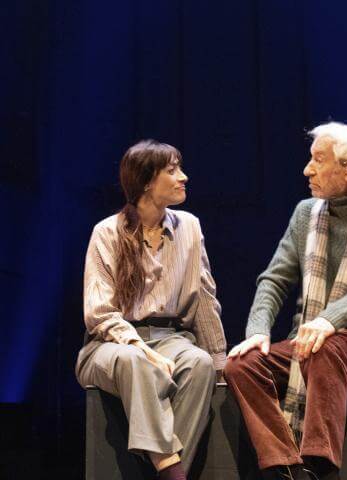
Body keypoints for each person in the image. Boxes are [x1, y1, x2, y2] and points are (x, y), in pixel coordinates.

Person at [224, 122, 347, 480]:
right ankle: (285, 468)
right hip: (310, 341)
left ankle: (320, 468)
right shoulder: (306, 213)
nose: (307, 169)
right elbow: (274, 279)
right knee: (241, 364)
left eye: (318, 160)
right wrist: (258, 329)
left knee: (324, 350)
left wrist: (329, 320)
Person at [75, 140, 226, 480]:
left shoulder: (190, 227)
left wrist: (219, 361)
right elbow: (99, 313)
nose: (183, 177)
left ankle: (167, 471)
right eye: (172, 171)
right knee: (135, 361)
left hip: (172, 339)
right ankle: (173, 473)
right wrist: (139, 346)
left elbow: (204, 298)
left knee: (199, 363)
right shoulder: (108, 232)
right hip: (109, 344)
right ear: (146, 182)